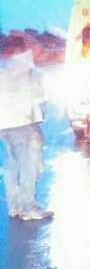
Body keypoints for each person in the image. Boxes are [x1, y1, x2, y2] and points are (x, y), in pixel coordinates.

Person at [0, 34, 53, 221]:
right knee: (30, 165)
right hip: (21, 123)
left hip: (5, 124)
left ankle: (15, 207)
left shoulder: (4, 66)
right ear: (20, 50)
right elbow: (39, 49)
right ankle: (28, 208)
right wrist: (23, 35)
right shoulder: (19, 63)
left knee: (12, 165)